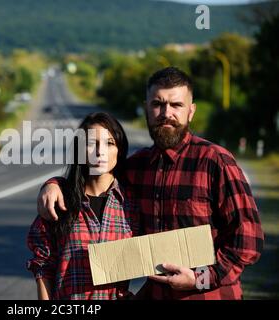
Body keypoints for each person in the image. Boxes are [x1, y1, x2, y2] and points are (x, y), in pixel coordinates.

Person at [37, 67, 264, 300]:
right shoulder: (136, 167)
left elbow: (248, 241)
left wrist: (199, 279)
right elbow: (92, 178)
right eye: (158, 104)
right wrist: (54, 184)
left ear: (191, 112)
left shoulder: (215, 162)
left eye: (176, 105)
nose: (166, 113)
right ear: (146, 108)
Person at [26, 112, 135, 300]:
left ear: (120, 149)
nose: (100, 151)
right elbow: (43, 266)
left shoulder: (132, 204)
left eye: (109, 143)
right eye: (92, 143)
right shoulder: (59, 201)